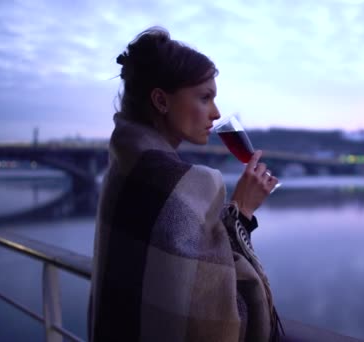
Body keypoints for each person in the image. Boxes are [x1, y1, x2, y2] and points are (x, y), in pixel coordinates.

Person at [88, 26, 283, 342]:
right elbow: (221, 323)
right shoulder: (191, 184)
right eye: (205, 97)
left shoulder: (123, 168)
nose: (216, 113)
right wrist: (242, 212)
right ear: (161, 101)